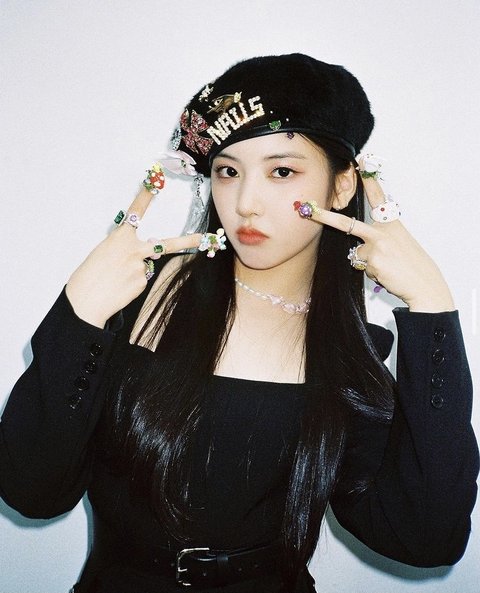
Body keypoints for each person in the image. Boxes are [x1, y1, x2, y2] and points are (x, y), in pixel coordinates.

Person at [0, 53, 478, 593]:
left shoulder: (349, 351)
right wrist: (81, 313)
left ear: (343, 185)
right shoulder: (135, 298)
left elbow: (426, 538)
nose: (246, 203)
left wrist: (433, 307)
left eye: (281, 171)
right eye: (228, 171)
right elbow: (32, 491)